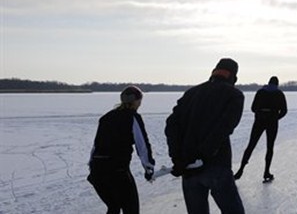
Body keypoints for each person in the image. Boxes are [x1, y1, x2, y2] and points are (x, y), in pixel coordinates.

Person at [164, 58, 245, 214]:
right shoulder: (234, 95)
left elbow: (171, 125)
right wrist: (202, 156)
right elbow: (224, 128)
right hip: (216, 165)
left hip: (188, 167)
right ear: (233, 77)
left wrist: (177, 157)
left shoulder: (191, 93)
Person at [87, 85, 155, 214]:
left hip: (98, 171)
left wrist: (92, 166)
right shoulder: (132, 117)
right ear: (136, 101)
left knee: (113, 207)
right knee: (131, 209)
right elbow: (142, 146)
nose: (140, 103)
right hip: (117, 171)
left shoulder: (106, 118)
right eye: (139, 100)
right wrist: (149, 167)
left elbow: (96, 145)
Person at [234, 76, 287, 183]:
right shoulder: (279, 94)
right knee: (270, 147)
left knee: (251, 145)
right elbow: (284, 111)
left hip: (259, 121)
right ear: (277, 84)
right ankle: (266, 172)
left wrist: (260, 114)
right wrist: (275, 117)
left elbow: (253, 108)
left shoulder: (260, 92)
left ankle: (240, 170)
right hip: (272, 122)